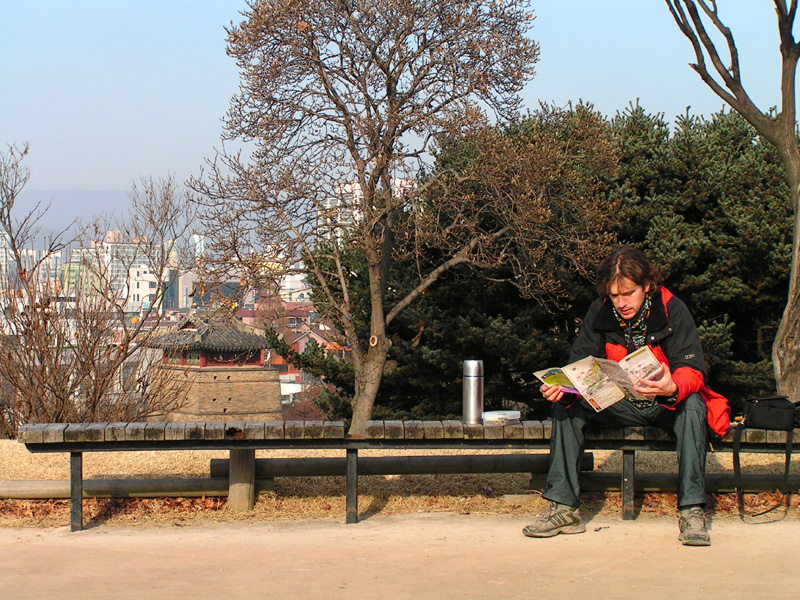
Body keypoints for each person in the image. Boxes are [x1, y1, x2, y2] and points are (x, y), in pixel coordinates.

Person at [523, 246, 729, 546]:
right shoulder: (600, 310)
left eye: (628, 293)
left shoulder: (673, 308)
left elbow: (693, 368)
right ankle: (564, 509)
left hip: (663, 402)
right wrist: (563, 388)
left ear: (647, 285)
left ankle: (691, 511)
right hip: (616, 401)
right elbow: (580, 363)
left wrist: (672, 387)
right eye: (614, 295)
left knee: (694, 405)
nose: (621, 303)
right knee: (566, 407)